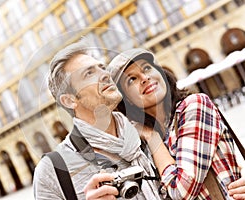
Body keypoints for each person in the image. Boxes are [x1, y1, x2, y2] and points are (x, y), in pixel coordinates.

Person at [101, 48, 242, 199]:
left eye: (147, 68)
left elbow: (181, 191)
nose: (144, 78)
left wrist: (152, 137)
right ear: (126, 99)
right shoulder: (140, 145)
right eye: (132, 79)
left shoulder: (194, 106)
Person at [33, 41, 165, 199]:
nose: (105, 74)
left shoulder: (149, 133)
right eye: (89, 73)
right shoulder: (52, 171)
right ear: (70, 100)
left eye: (102, 67)